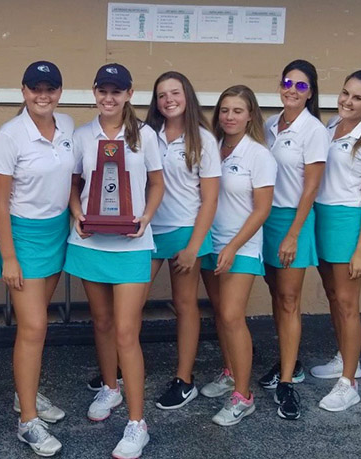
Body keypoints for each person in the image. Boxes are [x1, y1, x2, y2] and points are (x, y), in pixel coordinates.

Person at [64, 63, 164, 459]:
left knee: (126, 331)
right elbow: (74, 185)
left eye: (116, 91)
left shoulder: (146, 136)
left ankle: (137, 423)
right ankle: (110, 388)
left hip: (132, 244)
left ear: (128, 94)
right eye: (103, 90)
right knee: (102, 323)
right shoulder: (81, 135)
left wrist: (146, 218)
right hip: (90, 242)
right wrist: (78, 215)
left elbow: (157, 183)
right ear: (94, 93)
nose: (109, 98)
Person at [0, 61, 72, 457]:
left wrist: (78, 213)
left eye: (50, 88)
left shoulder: (69, 127)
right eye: (36, 88)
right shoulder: (10, 136)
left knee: (37, 325)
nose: (43, 95)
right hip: (23, 237)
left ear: (59, 91)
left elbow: (73, 180)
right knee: (34, 326)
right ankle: (27, 422)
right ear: (23, 91)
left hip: (57, 234)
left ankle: (28, 394)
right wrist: (8, 257)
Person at [199, 85, 277, 426]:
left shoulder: (259, 154)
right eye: (225, 110)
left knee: (232, 315)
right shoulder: (212, 148)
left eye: (237, 111)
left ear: (250, 115)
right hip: (210, 243)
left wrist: (232, 247)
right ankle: (230, 372)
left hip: (240, 247)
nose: (230, 117)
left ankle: (243, 397)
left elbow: (262, 210)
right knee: (220, 313)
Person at [313, 69, 361, 412]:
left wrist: (360, 249)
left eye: (357, 97)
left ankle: (349, 383)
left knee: (347, 304)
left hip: (348, 224)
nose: (347, 101)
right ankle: (346, 358)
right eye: (345, 93)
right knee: (333, 296)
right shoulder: (330, 126)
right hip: (322, 219)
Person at [143, 71, 220, 410]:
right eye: (162, 95)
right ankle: (113, 368)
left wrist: (192, 247)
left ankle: (184, 378)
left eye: (175, 92)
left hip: (186, 230)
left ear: (187, 96)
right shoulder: (146, 134)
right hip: (147, 230)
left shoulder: (203, 139)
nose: (168, 99)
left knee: (185, 305)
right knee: (131, 302)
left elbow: (210, 200)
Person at [258, 60, 329, 420]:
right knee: (276, 295)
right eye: (288, 82)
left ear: (310, 93)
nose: (292, 89)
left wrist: (293, 234)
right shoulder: (271, 124)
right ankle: (289, 360)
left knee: (289, 299)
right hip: (266, 220)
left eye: (301, 86)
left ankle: (287, 380)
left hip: (292, 221)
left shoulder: (313, 130)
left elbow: (311, 187)